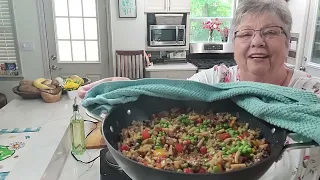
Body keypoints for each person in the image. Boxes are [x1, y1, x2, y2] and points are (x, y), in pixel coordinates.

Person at [79, 0, 320, 179]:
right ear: (234, 43)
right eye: (245, 33)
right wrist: (129, 86)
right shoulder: (215, 81)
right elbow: (171, 91)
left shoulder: (311, 97)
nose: (257, 41)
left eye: (270, 32)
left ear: (288, 40)